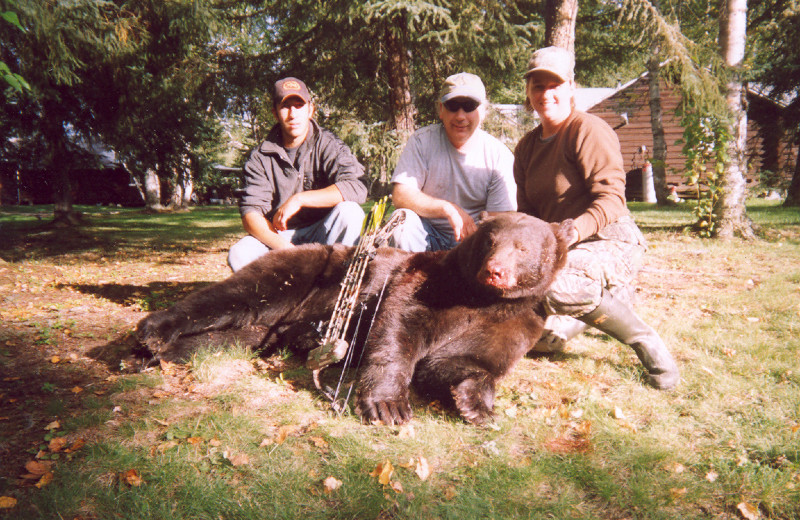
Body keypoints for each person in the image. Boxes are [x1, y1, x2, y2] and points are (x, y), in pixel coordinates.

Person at [513, 46, 679, 390]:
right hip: (562, 247)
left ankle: (645, 341)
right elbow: (527, 215)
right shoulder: (526, 147)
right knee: (525, 306)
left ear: (571, 87)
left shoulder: (587, 129)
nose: (547, 94)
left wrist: (571, 233)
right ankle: (588, 312)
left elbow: (612, 200)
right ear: (528, 92)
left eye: (555, 85)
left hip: (610, 239)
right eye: (538, 86)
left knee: (558, 285)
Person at [227, 77, 367, 272]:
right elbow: (251, 215)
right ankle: (273, 300)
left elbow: (356, 187)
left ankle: (338, 291)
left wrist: (299, 199)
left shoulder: (329, 144)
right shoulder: (259, 157)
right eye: (285, 107)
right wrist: (288, 251)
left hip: (325, 234)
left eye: (299, 105)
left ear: (311, 110)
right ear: (275, 112)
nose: (293, 114)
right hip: (279, 238)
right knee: (240, 253)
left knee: (350, 212)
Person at [387, 72, 516, 252]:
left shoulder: (499, 156)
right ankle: (410, 277)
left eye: (469, 106)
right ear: (441, 109)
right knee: (401, 220)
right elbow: (401, 195)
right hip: (426, 236)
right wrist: (447, 209)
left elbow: (499, 223)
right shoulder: (421, 142)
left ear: (483, 111)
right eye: (452, 106)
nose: (460, 116)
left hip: (472, 244)